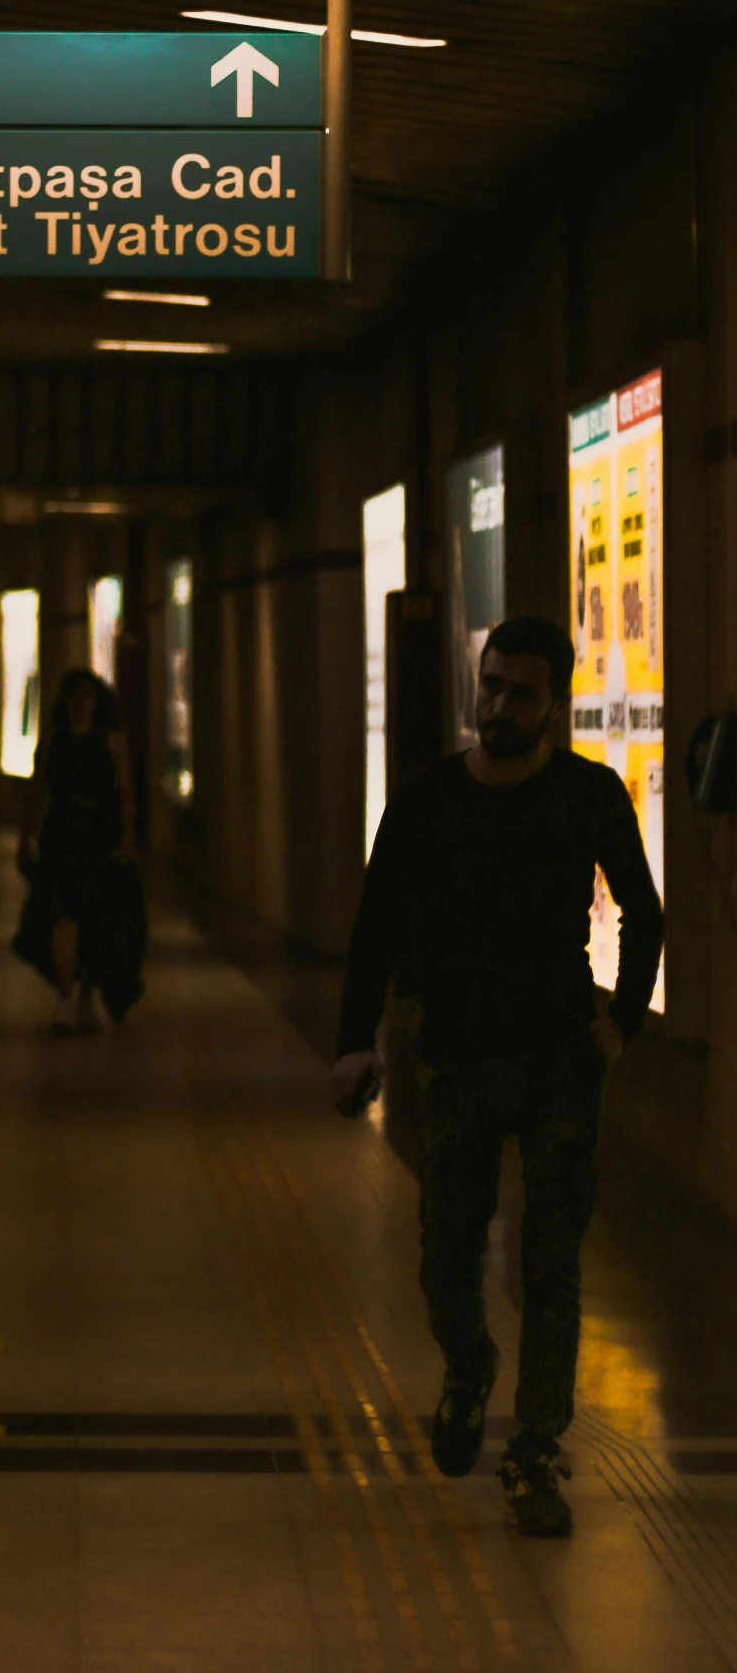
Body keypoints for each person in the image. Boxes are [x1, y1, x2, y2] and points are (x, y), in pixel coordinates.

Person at [332, 616, 663, 1539]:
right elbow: (375, 922)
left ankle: (533, 1449)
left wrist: (617, 1024)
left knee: (551, 1261)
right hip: (459, 1055)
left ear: (554, 701)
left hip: (561, 1056)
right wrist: (354, 1040)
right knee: (445, 1255)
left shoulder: (588, 795)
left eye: (520, 692)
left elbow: (643, 909)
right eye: (489, 686)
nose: (498, 706)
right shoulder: (429, 798)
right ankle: (470, 1363)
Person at [14, 667, 145, 1033]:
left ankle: (86, 993)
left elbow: (125, 793)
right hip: (61, 833)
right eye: (75, 695)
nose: (81, 703)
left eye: (88, 696)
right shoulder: (54, 740)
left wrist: (127, 837)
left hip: (98, 834)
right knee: (62, 915)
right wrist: (25, 836)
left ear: (97, 701)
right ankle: (65, 995)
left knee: (94, 917)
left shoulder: (110, 741)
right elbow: (36, 789)